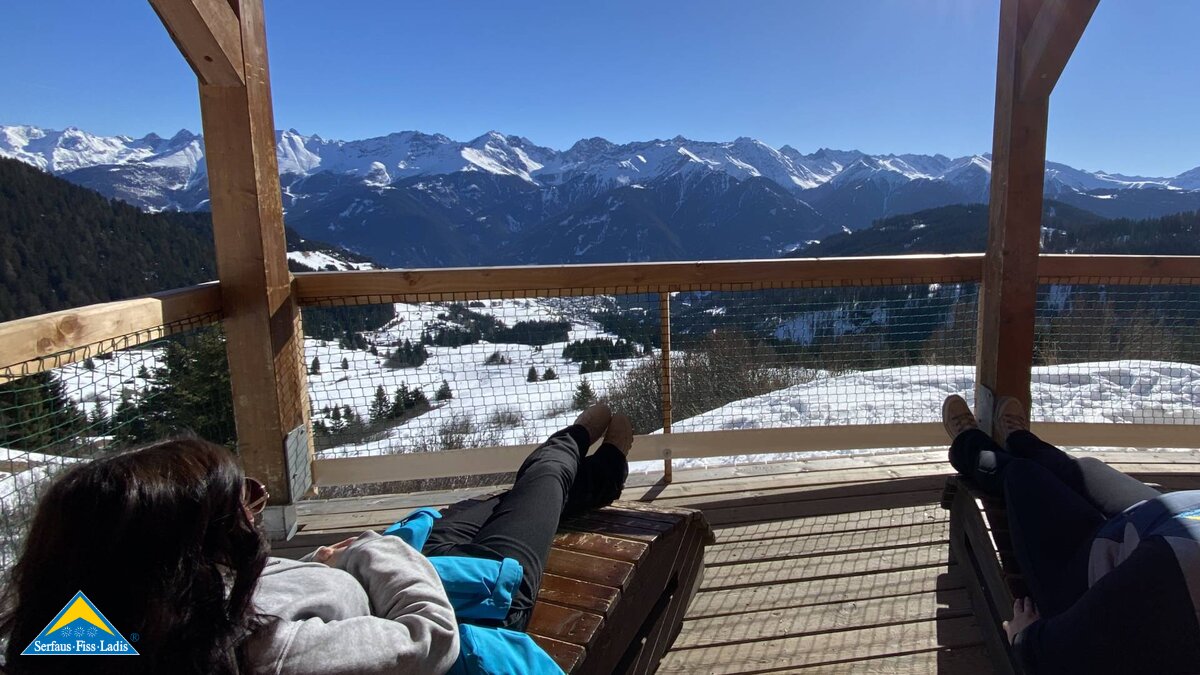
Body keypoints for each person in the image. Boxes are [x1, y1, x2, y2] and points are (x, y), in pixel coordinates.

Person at [0, 403, 632, 675]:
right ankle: (581, 439)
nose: (257, 506)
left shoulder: (105, 630)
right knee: (544, 478)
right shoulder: (272, 654)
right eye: (240, 506)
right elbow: (428, 641)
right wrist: (364, 552)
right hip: (477, 588)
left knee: (496, 500)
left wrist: (334, 562)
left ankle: (590, 473)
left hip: (407, 562)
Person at [942, 394, 1200, 674]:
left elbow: (1060, 653)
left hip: (1090, 564)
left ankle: (969, 444)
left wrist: (1025, 639)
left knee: (1022, 475)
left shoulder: (1171, 570)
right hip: (1160, 521)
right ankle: (1019, 439)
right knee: (1083, 469)